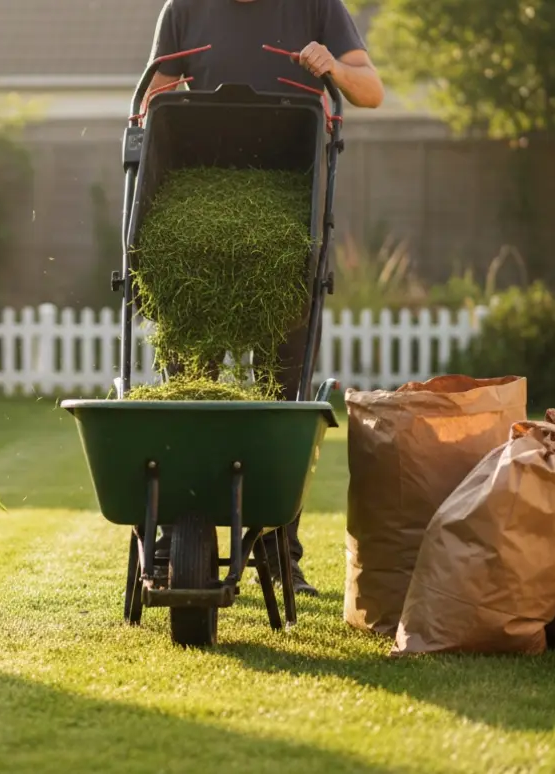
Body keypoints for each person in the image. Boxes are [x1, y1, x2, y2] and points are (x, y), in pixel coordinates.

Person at [143, 0, 384, 598]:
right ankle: (178, 536)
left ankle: (280, 551)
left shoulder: (315, 6)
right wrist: (163, 96)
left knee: (283, 402)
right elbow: (153, 102)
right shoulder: (184, 9)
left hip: (290, 218)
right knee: (188, 392)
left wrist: (332, 67)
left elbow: (371, 91)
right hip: (193, 216)